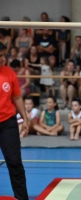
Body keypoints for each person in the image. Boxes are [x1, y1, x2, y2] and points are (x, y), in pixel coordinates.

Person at [0, 42, 29, 199]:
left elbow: (17, 97)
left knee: (15, 163)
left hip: (7, 124)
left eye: (4, 55)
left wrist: (24, 118)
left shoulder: (10, 74)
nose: (2, 59)